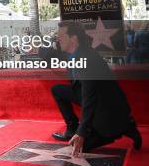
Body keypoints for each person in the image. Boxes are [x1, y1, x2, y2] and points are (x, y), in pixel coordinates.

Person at [51, 21, 142, 156]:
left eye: (61, 36)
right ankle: (72, 128)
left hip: (105, 106)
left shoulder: (88, 59)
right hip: (85, 93)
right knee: (57, 90)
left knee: (83, 146)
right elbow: (54, 56)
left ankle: (125, 127)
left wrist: (82, 132)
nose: (58, 39)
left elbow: (90, 98)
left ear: (73, 39)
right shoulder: (73, 53)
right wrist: (37, 50)